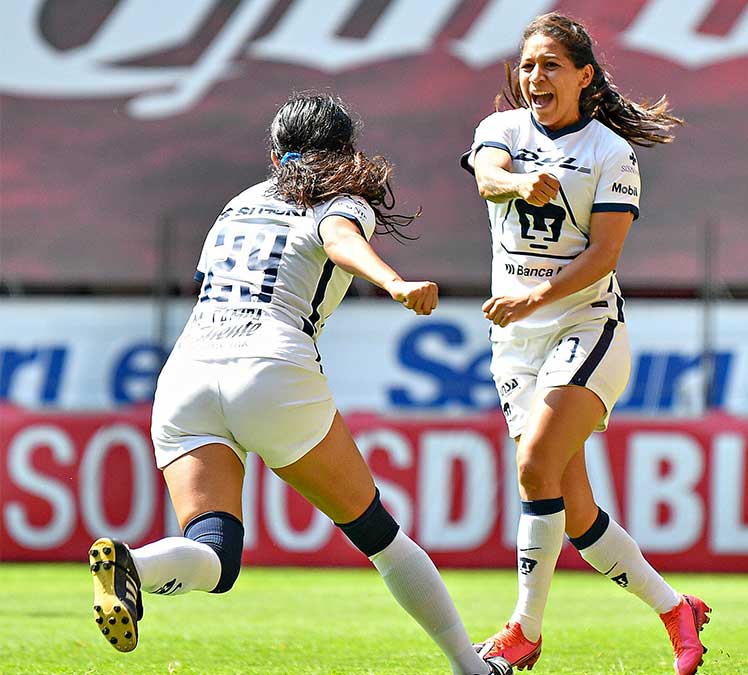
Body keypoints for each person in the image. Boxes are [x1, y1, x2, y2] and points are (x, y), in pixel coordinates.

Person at [88, 92, 512, 675]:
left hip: (186, 372)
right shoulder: (342, 200)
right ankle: (472, 667)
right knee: (378, 536)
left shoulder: (239, 203)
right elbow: (339, 239)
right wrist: (393, 283)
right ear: (345, 152)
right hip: (269, 365)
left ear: (274, 152)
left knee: (217, 555)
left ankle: (135, 563)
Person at [459, 13, 710, 675]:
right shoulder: (500, 131)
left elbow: (604, 255)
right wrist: (517, 183)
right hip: (515, 341)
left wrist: (533, 298)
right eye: (528, 65)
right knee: (575, 511)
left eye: (550, 66)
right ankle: (674, 608)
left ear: (583, 77)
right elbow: (489, 175)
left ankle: (524, 631)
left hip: (587, 329)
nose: (534, 76)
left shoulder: (608, 152)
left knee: (535, 465)